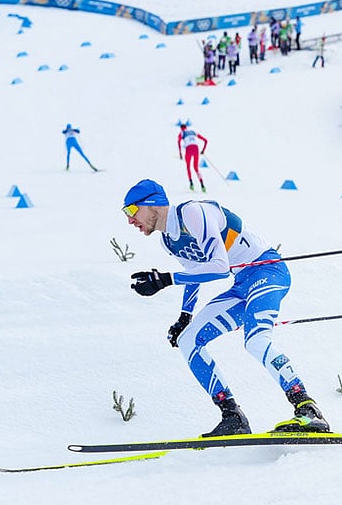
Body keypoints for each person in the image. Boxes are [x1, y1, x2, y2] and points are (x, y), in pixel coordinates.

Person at [122, 179, 329, 437]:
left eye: (131, 211)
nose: (130, 220)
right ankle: (232, 416)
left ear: (151, 203)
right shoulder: (168, 240)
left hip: (268, 271)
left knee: (255, 341)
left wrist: (166, 279)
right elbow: (195, 272)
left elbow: (219, 267)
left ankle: (308, 410)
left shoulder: (193, 213)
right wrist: (184, 316)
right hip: (242, 284)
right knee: (188, 340)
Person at [177, 122, 208, 192]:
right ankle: (202, 185)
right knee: (196, 168)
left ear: (181, 128)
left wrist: (180, 153)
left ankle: (191, 184)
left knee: (188, 167)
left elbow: (178, 142)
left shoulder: (181, 133)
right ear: (186, 127)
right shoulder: (193, 132)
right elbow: (206, 140)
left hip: (188, 149)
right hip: (196, 149)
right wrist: (203, 150)